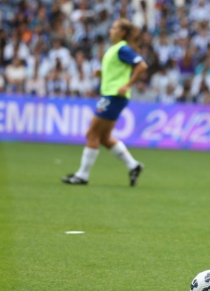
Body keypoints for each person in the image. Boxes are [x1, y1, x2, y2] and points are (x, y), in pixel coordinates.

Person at [62, 18, 147, 186]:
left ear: (122, 32)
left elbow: (142, 66)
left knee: (92, 134)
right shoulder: (116, 49)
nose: (111, 30)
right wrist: (103, 74)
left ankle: (82, 176)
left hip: (113, 97)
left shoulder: (122, 48)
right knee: (104, 137)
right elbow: (119, 72)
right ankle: (133, 165)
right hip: (112, 96)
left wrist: (127, 85)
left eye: (114, 27)